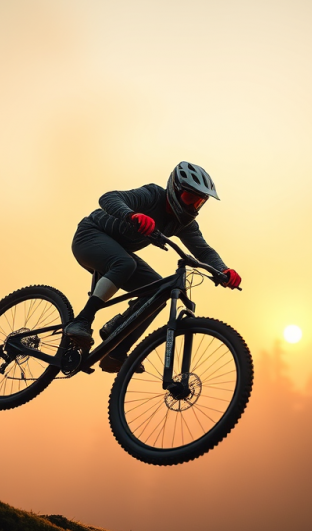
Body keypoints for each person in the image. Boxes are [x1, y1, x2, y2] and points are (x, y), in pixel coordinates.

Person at [64, 160, 241, 373]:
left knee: (158, 291)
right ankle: (82, 321)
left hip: (120, 253)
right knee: (125, 263)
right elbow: (108, 198)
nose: (192, 206)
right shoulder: (152, 195)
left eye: (198, 202)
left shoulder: (184, 224)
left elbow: (204, 251)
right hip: (90, 236)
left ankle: (117, 353)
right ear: (175, 189)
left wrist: (223, 270)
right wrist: (131, 215)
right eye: (189, 198)